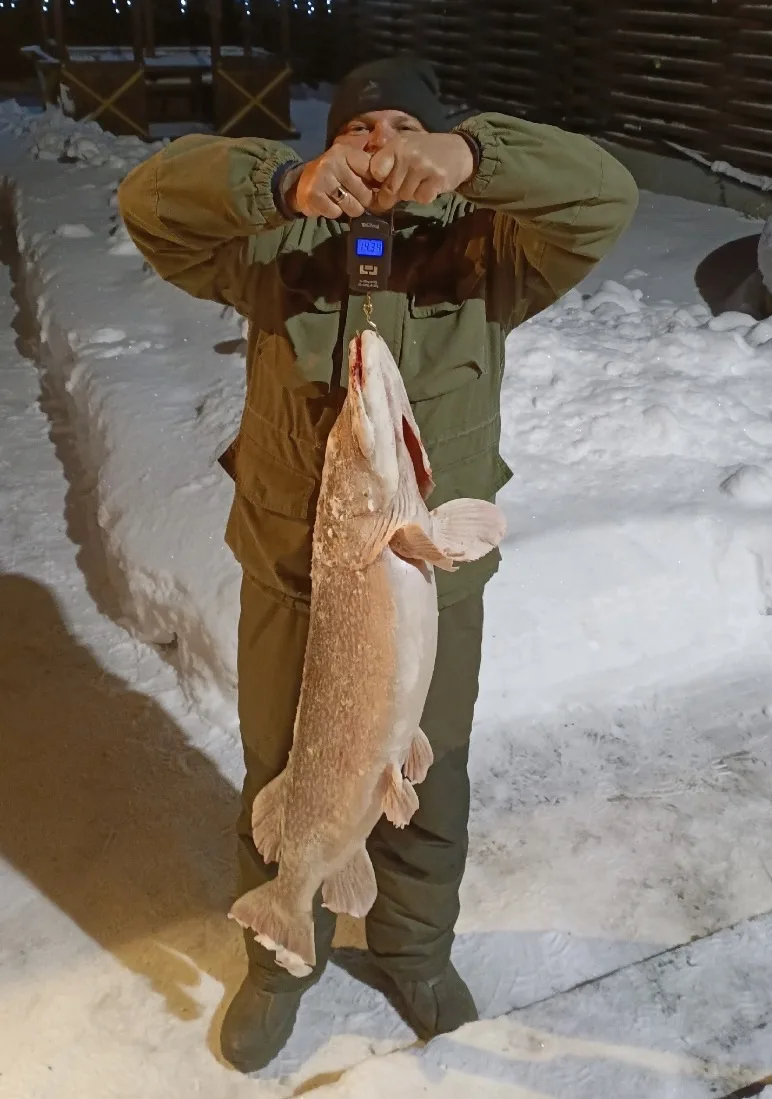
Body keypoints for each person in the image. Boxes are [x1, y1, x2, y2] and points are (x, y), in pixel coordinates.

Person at [118, 55, 638, 1072]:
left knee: (426, 781)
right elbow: (150, 203)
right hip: (291, 575)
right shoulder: (278, 242)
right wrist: (282, 185)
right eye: (360, 128)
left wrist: (475, 156)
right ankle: (281, 956)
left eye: (404, 126)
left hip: (422, 582)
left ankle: (414, 949)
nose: (381, 144)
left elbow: (603, 195)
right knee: (283, 775)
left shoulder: (493, 249)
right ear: (333, 146)